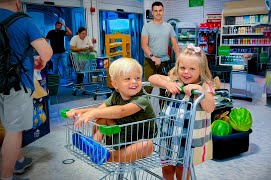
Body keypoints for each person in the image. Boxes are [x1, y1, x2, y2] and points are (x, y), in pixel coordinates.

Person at [66, 58, 157, 162]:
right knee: (103, 115)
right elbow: (100, 110)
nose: (134, 82)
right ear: (115, 84)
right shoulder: (116, 96)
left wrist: (94, 113)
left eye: (138, 78)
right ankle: (94, 143)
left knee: (148, 145)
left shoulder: (142, 99)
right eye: (127, 79)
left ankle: (108, 156)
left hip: (138, 140)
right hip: (121, 135)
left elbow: (122, 111)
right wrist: (80, 111)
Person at [0, 1, 53, 180]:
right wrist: (41, 60)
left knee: (7, 125)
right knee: (14, 130)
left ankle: (18, 159)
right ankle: (7, 176)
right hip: (16, 84)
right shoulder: (23, 21)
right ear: (17, 2)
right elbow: (46, 52)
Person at [148, 44, 216, 180]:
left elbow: (210, 107)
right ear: (177, 67)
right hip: (168, 136)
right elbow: (152, 78)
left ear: (201, 70)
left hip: (186, 140)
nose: (186, 72)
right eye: (182, 68)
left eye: (192, 69)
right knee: (166, 170)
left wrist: (199, 91)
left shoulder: (204, 87)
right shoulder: (174, 81)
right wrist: (167, 84)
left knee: (182, 173)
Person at [141, 1, 179, 94]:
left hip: (164, 62)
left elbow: (175, 44)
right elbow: (144, 45)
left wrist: (179, 60)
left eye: (160, 10)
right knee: (148, 88)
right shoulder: (147, 26)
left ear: (163, 11)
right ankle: (145, 108)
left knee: (165, 89)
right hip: (149, 61)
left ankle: (163, 108)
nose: (158, 13)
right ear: (152, 12)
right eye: (156, 11)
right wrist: (153, 57)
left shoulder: (169, 26)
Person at [46, 20, 72, 84]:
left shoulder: (62, 32)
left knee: (65, 66)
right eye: (58, 25)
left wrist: (64, 25)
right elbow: (46, 41)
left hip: (62, 52)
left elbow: (70, 33)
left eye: (60, 26)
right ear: (55, 25)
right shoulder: (51, 32)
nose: (59, 27)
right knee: (55, 68)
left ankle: (68, 81)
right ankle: (55, 82)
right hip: (54, 53)